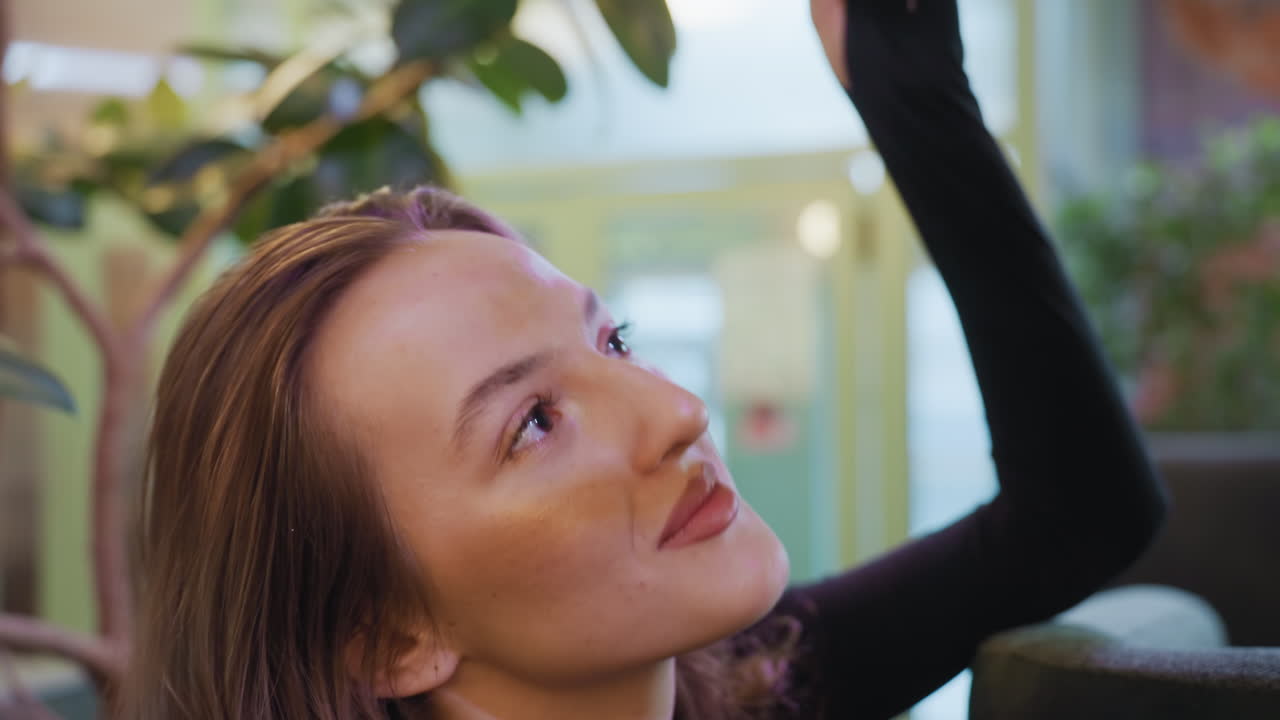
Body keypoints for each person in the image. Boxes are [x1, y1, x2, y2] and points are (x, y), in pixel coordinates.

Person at [120, 1, 1167, 718]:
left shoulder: (741, 685)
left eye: (611, 342)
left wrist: (912, 96)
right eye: (532, 421)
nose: (675, 409)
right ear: (387, 635)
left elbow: (1077, 515)